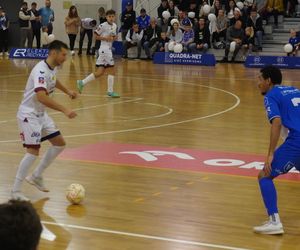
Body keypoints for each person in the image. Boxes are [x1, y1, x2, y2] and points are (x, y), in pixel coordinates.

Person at [11, 40, 78, 201]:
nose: (65, 58)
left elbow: (54, 80)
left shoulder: (51, 67)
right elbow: (41, 97)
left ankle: (36, 176)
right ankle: (16, 191)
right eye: (63, 54)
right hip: (29, 115)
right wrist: (64, 109)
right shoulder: (40, 70)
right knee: (33, 151)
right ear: (53, 53)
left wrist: (67, 90)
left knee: (59, 143)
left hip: (41, 115)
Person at [254, 65, 300, 235]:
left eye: (260, 79)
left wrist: (270, 154)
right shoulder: (294, 90)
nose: (258, 83)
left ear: (269, 81)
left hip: (297, 141)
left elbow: (277, 122)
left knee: (264, 175)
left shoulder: (271, 95)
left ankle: (274, 222)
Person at [76, 10, 120, 98]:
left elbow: (114, 37)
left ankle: (82, 82)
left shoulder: (115, 26)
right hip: (104, 50)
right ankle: (110, 91)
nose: (111, 18)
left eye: (112, 16)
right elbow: (95, 35)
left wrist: (114, 38)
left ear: (115, 17)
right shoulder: (102, 25)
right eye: (109, 16)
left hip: (108, 49)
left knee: (100, 72)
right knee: (112, 70)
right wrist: (105, 38)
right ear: (106, 17)